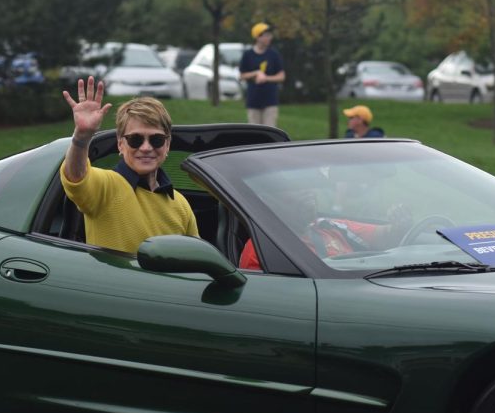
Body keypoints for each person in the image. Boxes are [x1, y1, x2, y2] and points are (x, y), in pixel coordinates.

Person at [60, 77, 198, 252]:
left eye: (156, 139)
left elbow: (194, 260)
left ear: (167, 144)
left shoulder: (180, 204)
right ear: (120, 144)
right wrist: (81, 137)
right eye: (135, 139)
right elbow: (75, 176)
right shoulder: (105, 186)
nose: (146, 148)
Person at [238, 187, 411, 270]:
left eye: (308, 184)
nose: (308, 191)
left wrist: (399, 225)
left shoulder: (330, 226)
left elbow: (386, 237)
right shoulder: (262, 248)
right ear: (270, 202)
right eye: (294, 187)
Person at [239, 22, 285, 127]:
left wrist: (266, 78)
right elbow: (242, 76)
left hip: (270, 101)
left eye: (270, 35)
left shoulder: (274, 54)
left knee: (270, 132)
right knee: (254, 133)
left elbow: (282, 76)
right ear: (258, 37)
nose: (270, 38)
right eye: (266, 35)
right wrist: (256, 73)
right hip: (253, 101)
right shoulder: (248, 55)